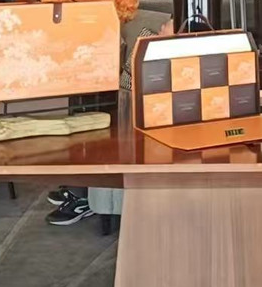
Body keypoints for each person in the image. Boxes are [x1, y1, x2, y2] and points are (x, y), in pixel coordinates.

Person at [46, 17, 177, 226]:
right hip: (123, 106)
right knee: (86, 115)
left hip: (136, 120)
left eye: (167, 25)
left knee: (94, 127)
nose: (160, 27)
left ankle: (80, 196)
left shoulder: (168, 59)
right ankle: (78, 190)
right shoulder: (151, 48)